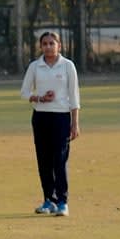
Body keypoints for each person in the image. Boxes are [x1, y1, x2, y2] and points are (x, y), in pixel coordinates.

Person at [20, 29, 80, 217]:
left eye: (51, 43)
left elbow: (74, 97)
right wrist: (39, 98)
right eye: (44, 44)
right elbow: (24, 92)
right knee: (43, 160)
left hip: (61, 117)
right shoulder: (35, 66)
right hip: (41, 118)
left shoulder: (67, 66)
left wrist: (75, 123)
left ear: (59, 46)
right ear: (40, 46)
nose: (48, 47)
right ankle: (49, 200)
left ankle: (62, 201)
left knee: (59, 161)